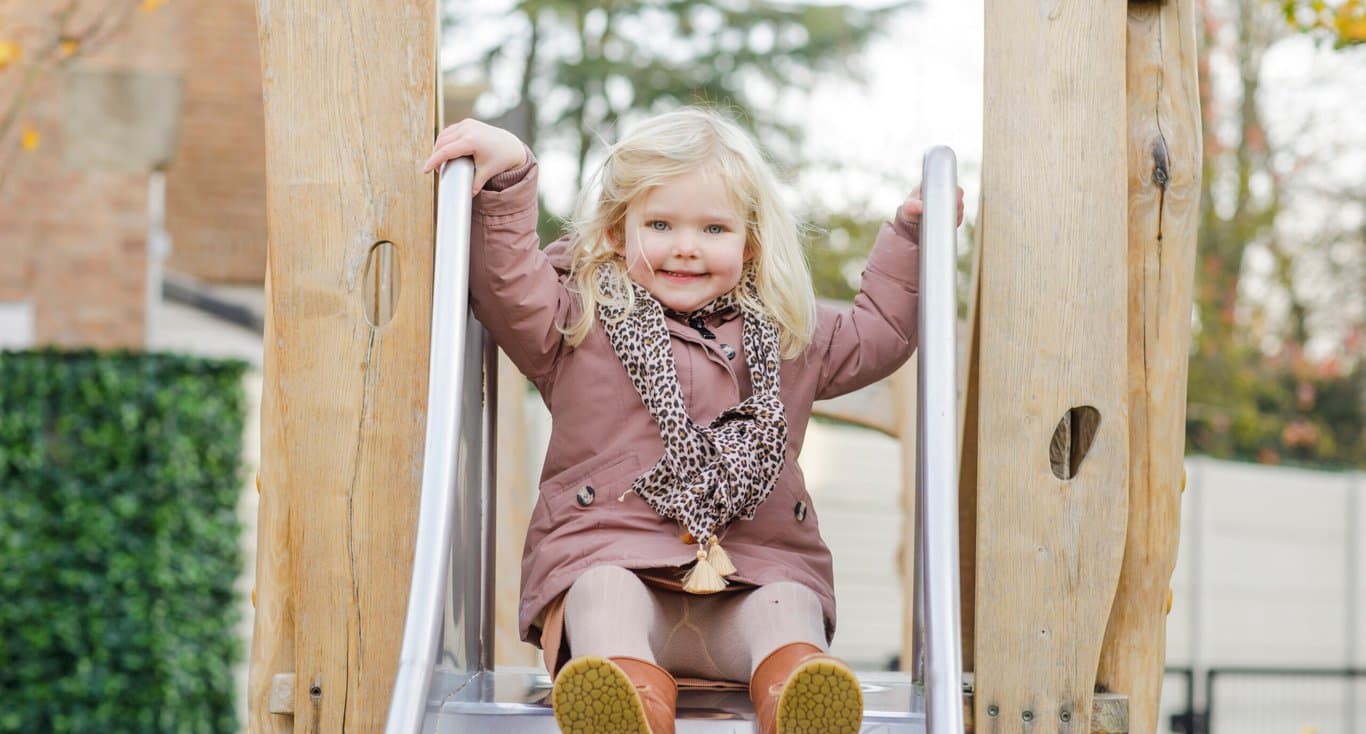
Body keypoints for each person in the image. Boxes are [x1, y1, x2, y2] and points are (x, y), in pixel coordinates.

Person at [422, 107, 962, 734]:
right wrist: (510, 173)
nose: (686, 245)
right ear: (619, 233)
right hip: (617, 570)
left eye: (713, 228)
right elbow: (508, 285)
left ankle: (796, 696)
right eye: (660, 224)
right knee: (602, 591)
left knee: (790, 604)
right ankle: (628, 704)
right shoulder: (577, 322)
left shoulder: (788, 335)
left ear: (749, 242)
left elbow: (882, 332)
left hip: (749, 580)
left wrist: (913, 237)